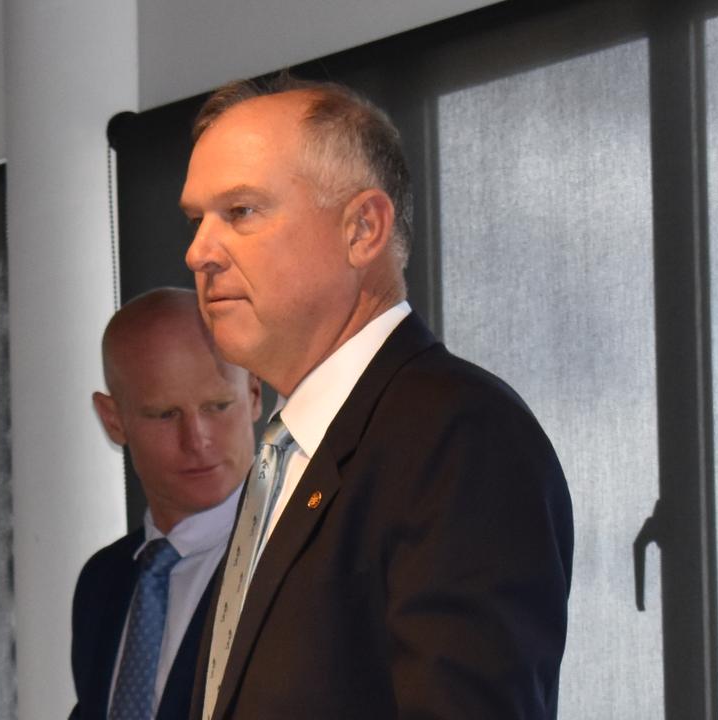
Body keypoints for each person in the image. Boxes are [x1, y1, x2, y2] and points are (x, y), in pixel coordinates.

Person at [179, 77, 574, 719]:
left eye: (241, 212)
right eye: (197, 220)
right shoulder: (289, 454)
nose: (198, 252)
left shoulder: (458, 435)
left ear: (363, 229)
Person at [69, 287, 262, 720]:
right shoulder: (102, 582)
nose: (198, 440)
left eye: (217, 405)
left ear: (253, 393)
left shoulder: (300, 562)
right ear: (113, 419)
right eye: (164, 414)